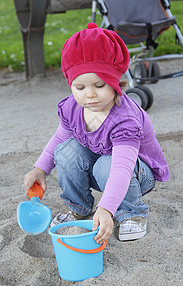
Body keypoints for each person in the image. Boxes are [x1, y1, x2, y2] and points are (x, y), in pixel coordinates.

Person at [24, 23, 169, 244]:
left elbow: (121, 169)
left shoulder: (124, 119)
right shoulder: (73, 107)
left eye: (100, 85)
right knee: (66, 150)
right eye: (80, 87)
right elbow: (59, 138)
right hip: (103, 168)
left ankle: (133, 213)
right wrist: (40, 168)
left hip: (136, 174)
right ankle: (79, 208)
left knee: (106, 165)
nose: (89, 94)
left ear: (115, 82)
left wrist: (107, 209)